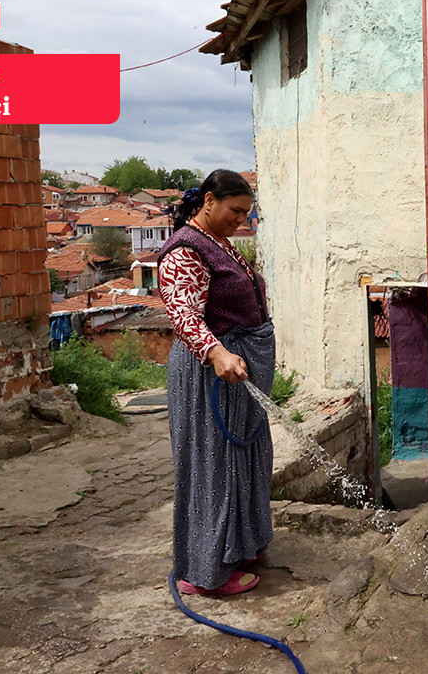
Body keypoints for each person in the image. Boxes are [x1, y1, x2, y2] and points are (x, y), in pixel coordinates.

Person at [158, 169, 274, 596]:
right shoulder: (184, 251)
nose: (241, 220)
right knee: (214, 468)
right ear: (208, 201)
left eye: (247, 213)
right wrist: (217, 352)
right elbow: (184, 313)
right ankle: (205, 573)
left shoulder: (219, 244)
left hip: (236, 372)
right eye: (235, 210)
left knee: (243, 462)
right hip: (209, 373)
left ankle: (237, 545)